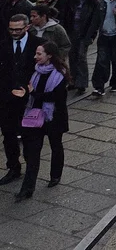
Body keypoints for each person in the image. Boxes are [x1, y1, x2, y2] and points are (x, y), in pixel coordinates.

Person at [14, 40, 68, 201]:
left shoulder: (60, 74)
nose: (35, 57)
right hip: (35, 117)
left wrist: (34, 93)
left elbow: (57, 98)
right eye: (36, 53)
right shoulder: (36, 71)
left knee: (55, 146)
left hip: (53, 118)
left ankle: (55, 175)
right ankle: (27, 189)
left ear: (49, 55)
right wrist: (25, 94)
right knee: (32, 153)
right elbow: (31, 93)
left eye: (39, 54)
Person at [0, 14, 44, 186]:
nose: (14, 32)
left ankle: (31, 171)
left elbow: (43, 69)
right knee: (8, 135)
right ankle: (13, 167)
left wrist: (27, 88)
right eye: (11, 29)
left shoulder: (38, 44)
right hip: (7, 99)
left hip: (29, 99)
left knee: (29, 137)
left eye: (18, 29)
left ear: (27, 27)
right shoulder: (3, 45)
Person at [58, 0, 101, 94]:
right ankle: (73, 80)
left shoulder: (93, 2)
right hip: (72, 31)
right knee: (72, 56)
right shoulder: (70, 0)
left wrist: (91, 34)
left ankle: (81, 83)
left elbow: (94, 21)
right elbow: (64, 15)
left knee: (81, 57)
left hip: (84, 32)